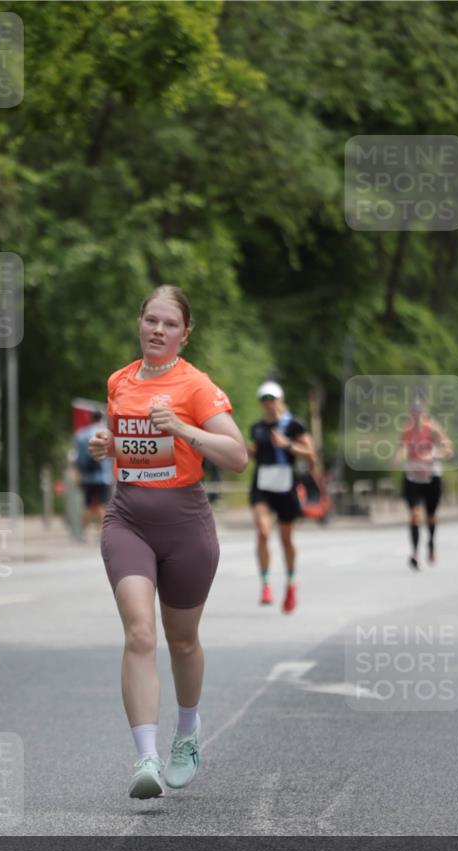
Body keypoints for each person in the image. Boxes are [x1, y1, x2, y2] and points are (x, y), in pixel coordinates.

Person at [88, 285, 247, 799]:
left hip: (185, 523)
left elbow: (236, 454)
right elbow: (129, 445)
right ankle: (147, 758)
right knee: (139, 633)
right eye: (150, 320)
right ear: (139, 322)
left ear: (184, 333)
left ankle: (187, 733)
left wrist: (181, 426)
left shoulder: (197, 386)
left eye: (169, 324)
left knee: (181, 640)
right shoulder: (118, 381)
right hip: (128, 515)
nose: (157, 330)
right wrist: (107, 444)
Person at [248, 381, 317, 612]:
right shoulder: (256, 428)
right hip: (263, 485)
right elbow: (255, 453)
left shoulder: (293, 425)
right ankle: (266, 584)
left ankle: (290, 583)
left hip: (286, 486)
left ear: (281, 400)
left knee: (286, 540)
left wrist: (287, 444)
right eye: (265, 400)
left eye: (273, 399)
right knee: (263, 531)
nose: (269, 404)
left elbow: (311, 456)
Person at [394, 394, 454, 570]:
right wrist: (398, 457)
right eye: (413, 412)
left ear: (424, 412)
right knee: (414, 515)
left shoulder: (433, 428)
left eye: (419, 411)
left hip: (431, 476)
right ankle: (414, 553)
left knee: (431, 516)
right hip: (412, 476)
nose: (416, 415)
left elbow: (448, 448)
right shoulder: (407, 429)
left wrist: (435, 455)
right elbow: (402, 447)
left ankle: (431, 543)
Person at [73, 412, 113, 537]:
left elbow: (78, 459)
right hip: (104, 476)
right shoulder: (105, 434)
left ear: (90, 419)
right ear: (101, 418)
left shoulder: (81, 434)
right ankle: (103, 534)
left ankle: (83, 533)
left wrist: (78, 474)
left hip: (87, 476)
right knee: (102, 505)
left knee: (88, 505)